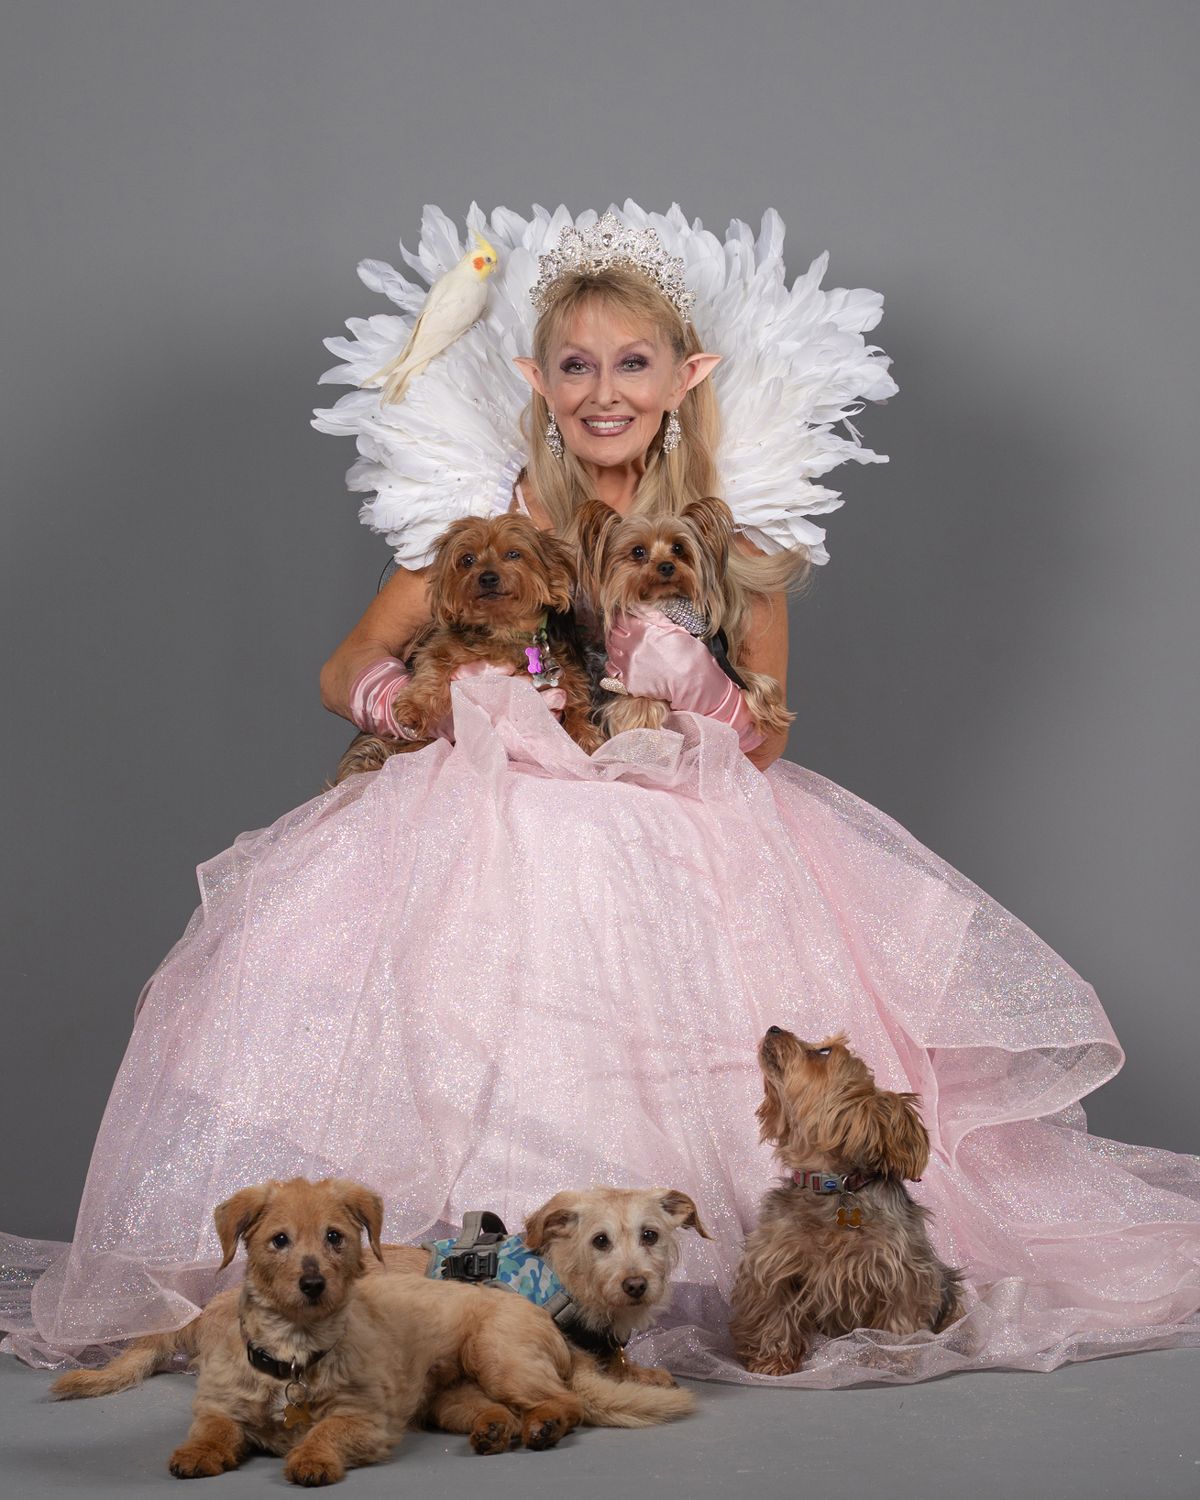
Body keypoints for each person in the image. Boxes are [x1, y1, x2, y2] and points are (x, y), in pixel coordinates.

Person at [3, 205, 1197, 1387]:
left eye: (633, 363)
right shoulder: (489, 514)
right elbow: (341, 669)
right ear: (538, 377)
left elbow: (766, 738)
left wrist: (688, 687)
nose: (604, 390)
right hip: (479, 823)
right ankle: (462, 1286)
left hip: (681, 833)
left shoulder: (730, 536)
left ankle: (661, 1281)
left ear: (687, 375)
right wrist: (416, 707)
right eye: (577, 366)